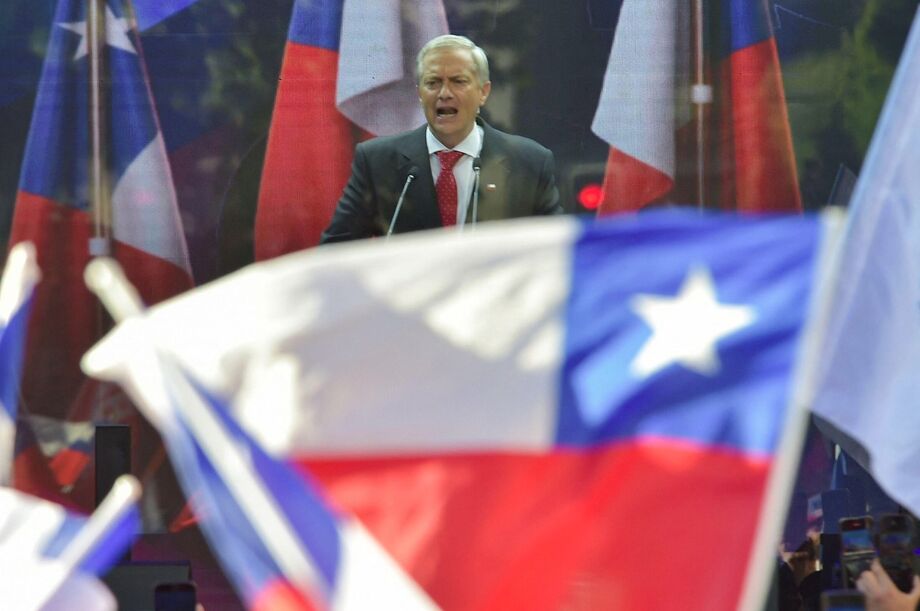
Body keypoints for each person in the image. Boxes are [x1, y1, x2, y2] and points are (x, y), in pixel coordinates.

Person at [320, 34, 562, 243]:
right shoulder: (377, 162)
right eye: (433, 83)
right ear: (419, 93)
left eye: (459, 81)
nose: (445, 93)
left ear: (483, 92)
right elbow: (337, 252)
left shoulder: (529, 163)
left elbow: (556, 252)